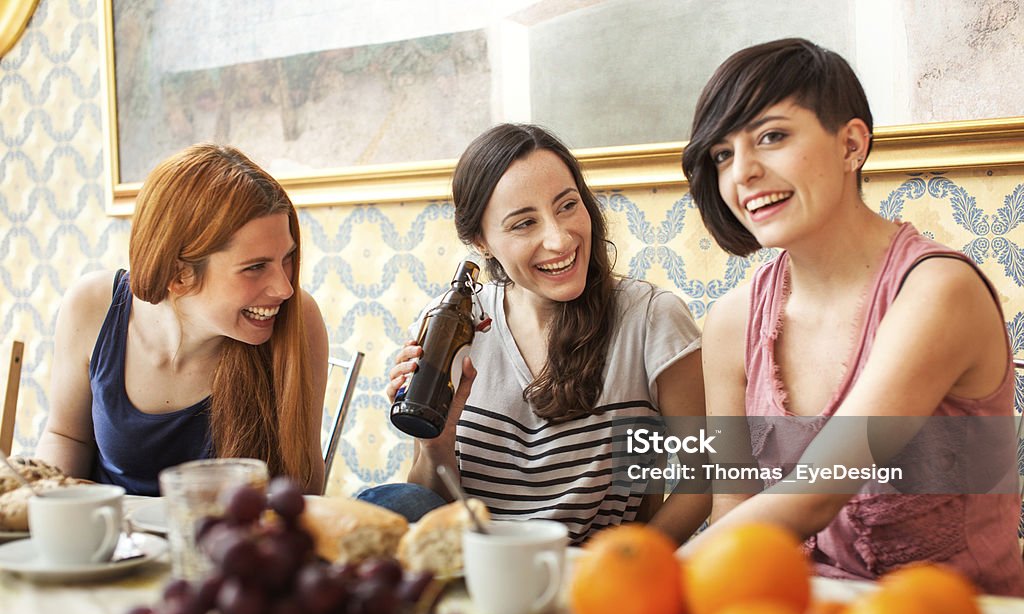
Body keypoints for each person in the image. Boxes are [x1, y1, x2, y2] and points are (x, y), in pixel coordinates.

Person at [680, 38, 1024, 595]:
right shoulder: (731, 320)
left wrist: (651, 579)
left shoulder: (938, 292)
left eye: (772, 136)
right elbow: (732, 516)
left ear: (851, 144)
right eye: (722, 154)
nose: (742, 172)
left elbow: (818, 491)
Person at [372, 123, 710, 544]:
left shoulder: (651, 318)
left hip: (592, 583)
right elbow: (433, 509)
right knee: (388, 504)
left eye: (568, 206)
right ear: (481, 241)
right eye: (523, 223)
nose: (559, 238)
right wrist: (436, 445)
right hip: (479, 572)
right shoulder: (451, 325)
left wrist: (630, 563)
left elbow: (708, 478)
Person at [39, 143, 329, 496]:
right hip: (110, 542)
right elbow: (65, 436)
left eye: (286, 258)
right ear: (179, 275)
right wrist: (50, 502)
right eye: (255, 267)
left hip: (228, 546)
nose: (284, 288)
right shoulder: (91, 306)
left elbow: (304, 486)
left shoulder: (299, 319)